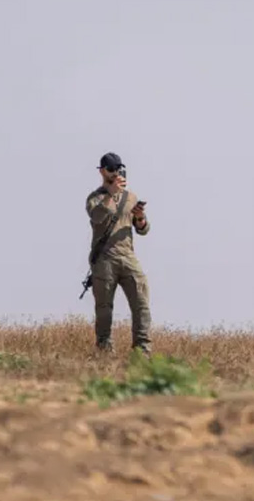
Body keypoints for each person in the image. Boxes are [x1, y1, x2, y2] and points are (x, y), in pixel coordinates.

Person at [85, 152, 153, 355]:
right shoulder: (95, 198)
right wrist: (111, 194)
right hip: (104, 260)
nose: (116, 173)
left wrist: (140, 219)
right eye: (112, 170)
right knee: (104, 308)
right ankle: (104, 349)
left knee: (141, 303)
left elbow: (142, 229)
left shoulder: (130, 197)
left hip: (127, 256)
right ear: (103, 171)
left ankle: (142, 350)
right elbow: (96, 217)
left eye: (119, 169)